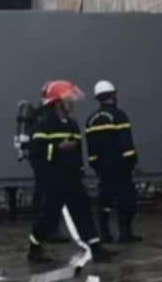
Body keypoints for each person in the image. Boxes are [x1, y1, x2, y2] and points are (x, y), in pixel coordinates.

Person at [27, 80, 109, 264]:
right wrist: (57, 148)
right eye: (68, 100)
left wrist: (80, 170)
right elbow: (37, 155)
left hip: (72, 178)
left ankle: (96, 247)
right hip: (53, 180)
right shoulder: (44, 126)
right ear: (56, 103)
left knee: (83, 211)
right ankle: (35, 247)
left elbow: (78, 150)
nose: (72, 104)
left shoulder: (72, 125)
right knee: (48, 215)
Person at [85, 80, 141, 244]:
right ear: (112, 95)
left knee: (105, 200)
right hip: (121, 167)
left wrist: (95, 164)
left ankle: (104, 234)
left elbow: (91, 147)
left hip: (103, 168)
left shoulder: (91, 119)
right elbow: (126, 143)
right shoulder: (119, 116)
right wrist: (132, 161)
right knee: (126, 199)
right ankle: (125, 234)